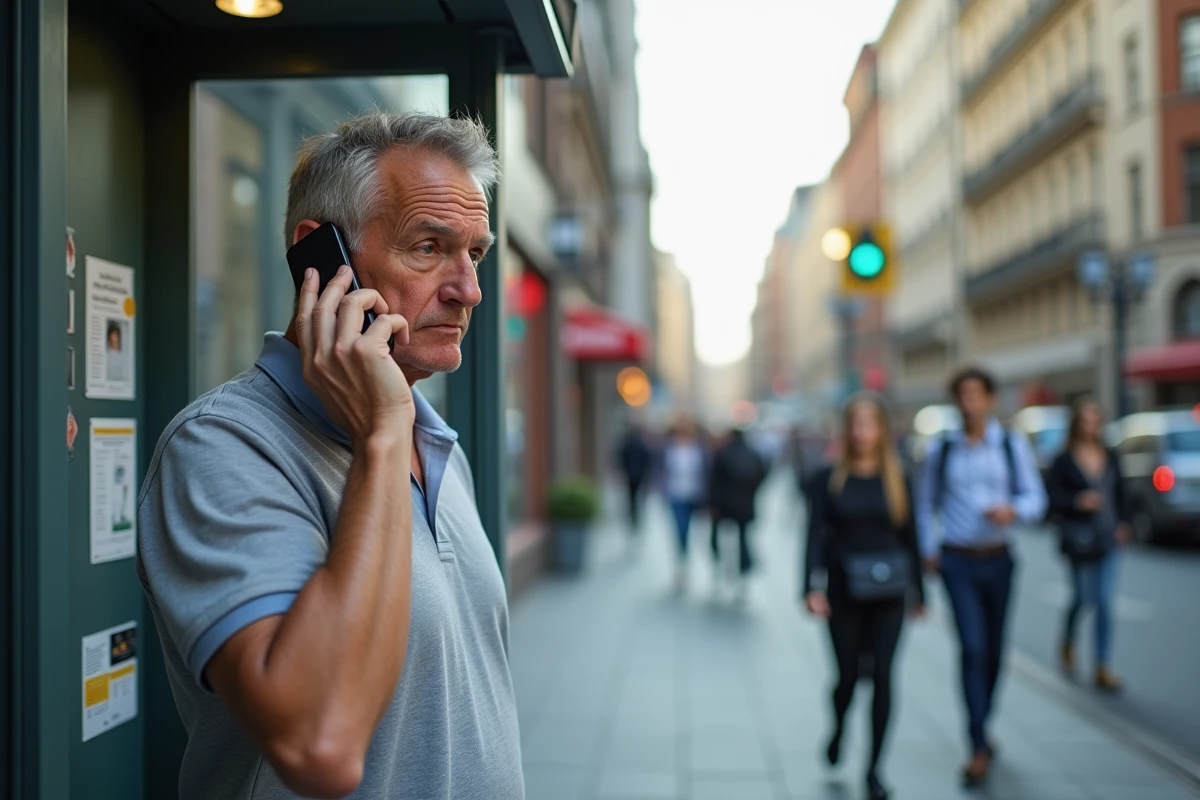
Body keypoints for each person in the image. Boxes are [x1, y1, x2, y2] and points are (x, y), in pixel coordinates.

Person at [137, 111, 523, 800]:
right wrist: (379, 436)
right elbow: (322, 746)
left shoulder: (432, 443)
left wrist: (391, 427)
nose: (469, 290)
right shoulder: (223, 446)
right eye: (429, 247)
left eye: (476, 254)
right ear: (321, 259)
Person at [917, 366, 1047, 787]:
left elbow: (1035, 499)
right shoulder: (943, 449)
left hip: (999, 557)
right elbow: (925, 503)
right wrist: (928, 549)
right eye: (962, 395)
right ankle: (975, 743)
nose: (969, 403)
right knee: (971, 648)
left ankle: (982, 723)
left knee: (993, 651)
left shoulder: (1010, 445)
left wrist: (1014, 511)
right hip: (958, 560)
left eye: (977, 394)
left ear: (990, 399)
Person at [804, 393, 925, 800]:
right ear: (848, 429)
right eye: (856, 424)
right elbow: (814, 534)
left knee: (886, 677)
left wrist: (920, 592)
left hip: (890, 591)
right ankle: (838, 728)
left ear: (881, 430)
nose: (862, 432)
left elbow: (912, 537)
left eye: (870, 424)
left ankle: (874, 768)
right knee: (848, 677)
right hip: (843, 589)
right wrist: (809, 587)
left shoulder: (899, 477)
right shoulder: (829, 478)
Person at [1045, 397, 1129, 692]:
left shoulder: (1110, 455)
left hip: (1106, 536)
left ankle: (1102, 664)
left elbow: (1121, 492)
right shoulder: (1064, 459)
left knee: (1105, 601)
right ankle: (1068, 640)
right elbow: (1051, 500)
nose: (1090, 426)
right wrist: (1077, 501)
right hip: (1080, 538)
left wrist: (1123, 523)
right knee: (1083, 597)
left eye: (1095, 420)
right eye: (1085, 420)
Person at [708, 426, 767, 598]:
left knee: (718, 537)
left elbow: (715, 482)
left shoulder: (723, 454)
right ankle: (743, 570)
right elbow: (762, 475)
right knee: (742, 538)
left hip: (725, 505)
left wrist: (713, 504)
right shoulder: (753, 454)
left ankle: (719, 566)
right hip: (745, 505)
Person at [660, 418, 708, 590]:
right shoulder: (668, 449)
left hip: (695, 496)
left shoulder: (700, 449)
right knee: (681, 529)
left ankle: (690, 559)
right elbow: (659, 469)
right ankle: (682, 561)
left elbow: (707, 471)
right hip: (676, 495)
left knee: (698, 532)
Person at [617, 423, 654, 533]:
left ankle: (633, 514)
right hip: (640, 475)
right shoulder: (643, 444)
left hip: (630, 475)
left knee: (631, 496)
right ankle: (637, 514)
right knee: (639, 496)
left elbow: (621, 457)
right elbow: (648, 459)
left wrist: (623, 470)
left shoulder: (627, 444)